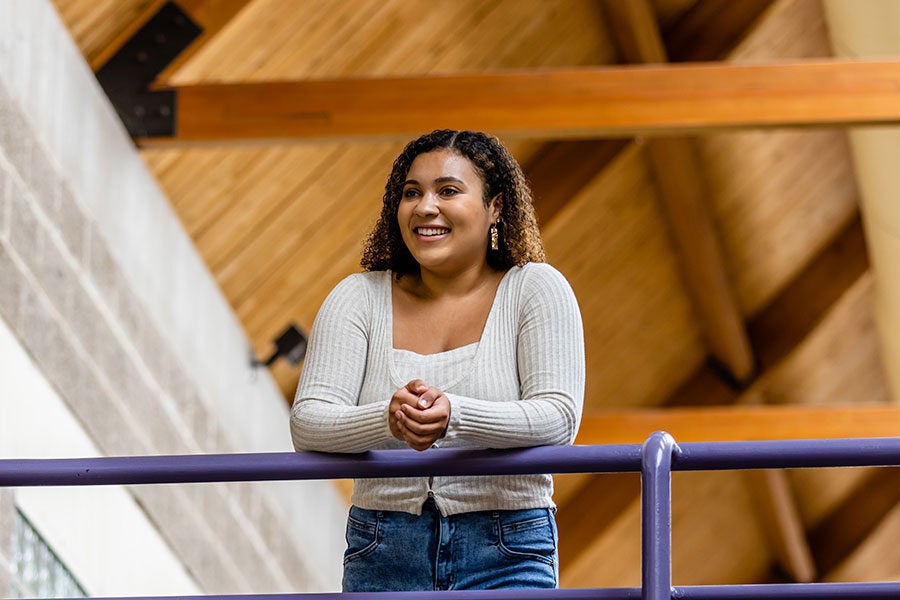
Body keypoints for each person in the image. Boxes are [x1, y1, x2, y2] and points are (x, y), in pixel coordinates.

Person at [290, 129, 585, 591]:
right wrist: (389, 419)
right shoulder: (357, 298)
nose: (425, 207)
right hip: (382, 544)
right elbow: (308, 423)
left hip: (508, 544)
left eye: (448, 190)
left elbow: (559, 418)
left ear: (496, 207)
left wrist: (455, 416)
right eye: (412, 193)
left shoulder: (536, 289)